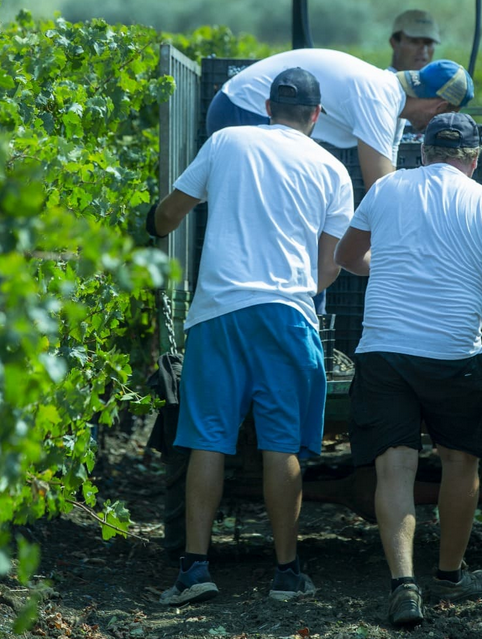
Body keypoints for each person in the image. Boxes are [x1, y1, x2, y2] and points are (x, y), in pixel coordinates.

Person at [334, 112, 482, 628]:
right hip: (455, 355)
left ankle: (403, 585)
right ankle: (450, 578)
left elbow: (349, 257)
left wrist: (391, 260)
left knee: (394, 468)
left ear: (422, 153)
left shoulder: (387, 189)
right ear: (474, 160)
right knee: (461, 464)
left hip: (385, 352)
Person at [147, 68, 354, 606]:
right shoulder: (333, 169)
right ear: (315, 116)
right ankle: (286, 573)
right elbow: (328, 269)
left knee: (207, 439)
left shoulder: (225, 141)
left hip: (218, 314)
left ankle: (195, 570)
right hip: (288, 315)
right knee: (281, 443)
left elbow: (170, 214)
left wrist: (149, 224)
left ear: (267, 106)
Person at [206, 48, 474, 191]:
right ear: (440, 106)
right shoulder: (378, 96)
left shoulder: (392, 106)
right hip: (243, 107)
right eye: (447, 115)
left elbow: (388, 183)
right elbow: (381, 188)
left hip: (251, 108)